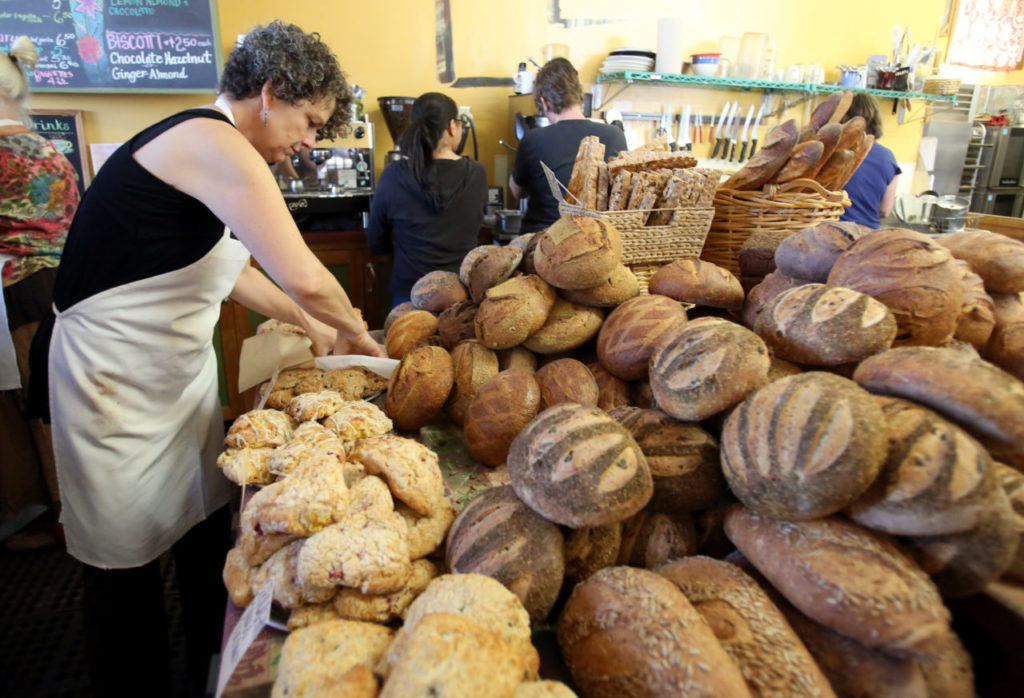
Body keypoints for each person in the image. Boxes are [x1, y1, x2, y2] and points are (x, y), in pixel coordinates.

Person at [32, 21, 385, 697]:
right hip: (113, 377)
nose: (310, 141)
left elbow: (224, 270)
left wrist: (307, 321)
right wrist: (357, 335)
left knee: (202, 519)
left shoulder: (219, 150)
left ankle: (209, 664)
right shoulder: (209, 139)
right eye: (309, 122)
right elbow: (307, 274)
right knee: (121, 555)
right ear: (271, 92)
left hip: (171, 376)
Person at [0, 36, 78, 550]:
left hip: (19, 287)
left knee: (36, 407)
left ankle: (58, 516)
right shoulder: (48, 148)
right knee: (60, 400)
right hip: (63, 286)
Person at [366, 91, 487, 306]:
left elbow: (376, 238)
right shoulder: (476, 173)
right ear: (452, 126)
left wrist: (386, 253)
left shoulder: (394, 173)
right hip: (460, 296)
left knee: (407, 340)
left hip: (410, 296)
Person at [509, 57, 628, 232]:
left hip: (542, 243)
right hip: (596, 241)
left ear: (544, 102)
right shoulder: (615, 135)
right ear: (581, 98)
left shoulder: (532, 139)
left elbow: (518, 193)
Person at [839, 93, 901, 229]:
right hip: (867, 239)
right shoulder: (887, 157)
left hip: (828, 234)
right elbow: (885, 210)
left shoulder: (830, 152)